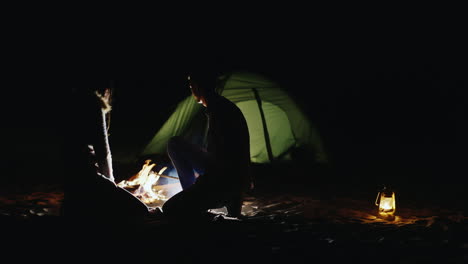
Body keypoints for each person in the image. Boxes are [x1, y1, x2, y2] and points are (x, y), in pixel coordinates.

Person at [161, 69, 253, 221]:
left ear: (196, 87)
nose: (191, 90)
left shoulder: (219, 112)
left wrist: (203, 183)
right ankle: (198, 196)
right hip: (234, 179)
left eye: (191, 86)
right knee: (175, 144)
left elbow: (224, 160)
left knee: (170, 209)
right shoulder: (222, 106)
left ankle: (200, 205)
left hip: (224, 183)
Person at [62, 86, 153, 231]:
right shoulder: (94, 104)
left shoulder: (67, 101)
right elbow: (103, 151)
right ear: (105, 91)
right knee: (143, 210)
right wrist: (111, 184)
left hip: (71, 183)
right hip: (90, 180)